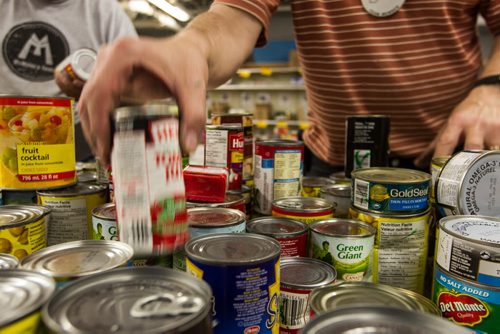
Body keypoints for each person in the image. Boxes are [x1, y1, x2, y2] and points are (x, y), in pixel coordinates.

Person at [78, 1, 500, 173]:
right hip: (330, 164)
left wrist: (493, 88)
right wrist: (192, 45)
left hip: (454, 160)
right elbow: (231, 19)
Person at [0, 0, 138, 161]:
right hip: (7, 133)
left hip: (78, 138)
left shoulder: (105, 11)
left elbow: (138, 89)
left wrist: (98, 91)